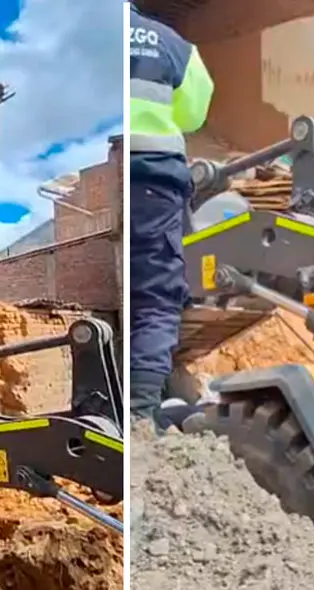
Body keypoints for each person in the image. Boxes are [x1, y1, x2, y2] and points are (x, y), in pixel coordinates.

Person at [129, 6, 214, 426]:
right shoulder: (172, 44)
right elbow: (193, 113)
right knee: (157, 299)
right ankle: (140, 419)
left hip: (113, 176)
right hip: (153, 178)